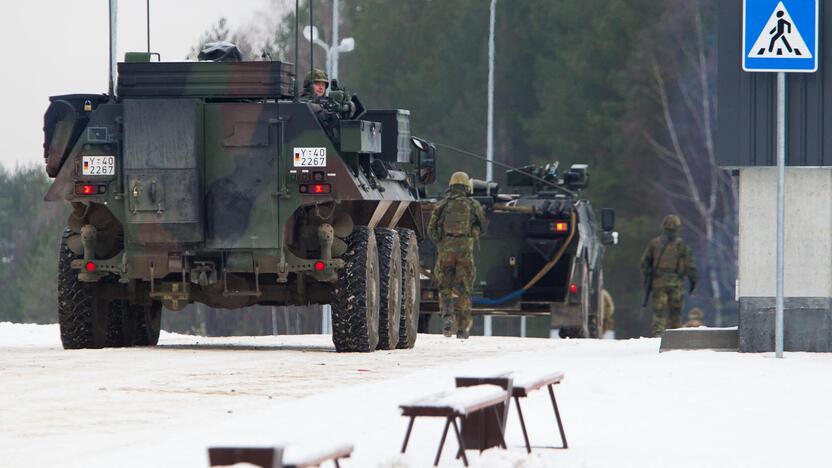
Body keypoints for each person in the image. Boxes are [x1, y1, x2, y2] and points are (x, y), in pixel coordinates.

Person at [428, 172, 488, 339]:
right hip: (465, 254)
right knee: (464, 290)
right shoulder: (473, 205)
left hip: (445, 253)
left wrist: (441, 242)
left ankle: (447, 321)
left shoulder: (442, 205)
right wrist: (472, 233)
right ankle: (462, 329)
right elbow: (482, 226)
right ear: (466, 186)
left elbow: (431, 229)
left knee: (445, 288)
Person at [641, 214, 697, 336]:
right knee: (675, 313)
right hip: (676, 283)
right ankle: (674, 336)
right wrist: (693, 281)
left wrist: (648, 277)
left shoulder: (655, 243)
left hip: (659, 282)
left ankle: (658, 335)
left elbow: (645, 263)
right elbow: (689, 266)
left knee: (659, 312)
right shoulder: (681, 245)